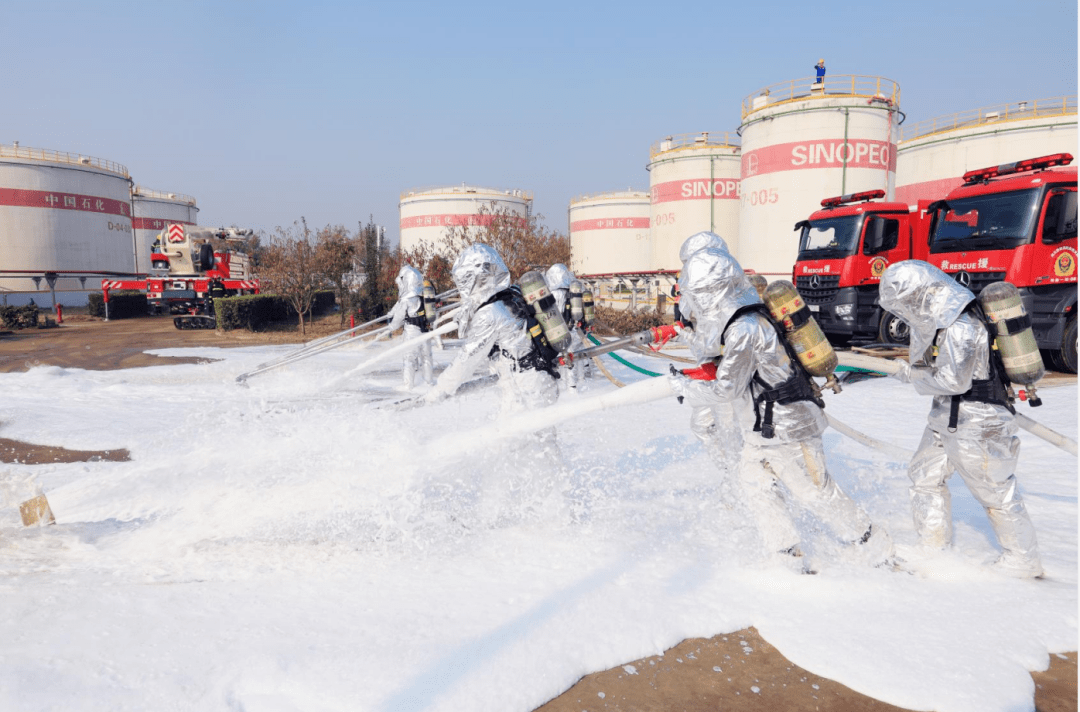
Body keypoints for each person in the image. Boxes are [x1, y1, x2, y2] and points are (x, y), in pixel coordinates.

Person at [668, 247, 890, 569]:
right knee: (755, 486)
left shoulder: (746, 328)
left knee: (815, 493)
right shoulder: (739, 321)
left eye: (700, 294)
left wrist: (683, 388)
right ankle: (786, 554)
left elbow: (727, 388)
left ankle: (875, 546)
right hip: (763, 431)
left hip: (790, 426)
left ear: (714, 292)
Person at [878, 261, 1043, 578]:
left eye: (908, 301)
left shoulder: (961, 326)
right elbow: (931, 366)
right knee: (925, 476)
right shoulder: (944, 321)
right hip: (947, 416)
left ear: (922, 293)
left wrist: (909, 375)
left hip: (978, 421)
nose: (907, 309)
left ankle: (1023, 559)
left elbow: (954, 381)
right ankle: (932, 547)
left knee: (996, 491)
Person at [424, 244, 564, 517]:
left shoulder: (490, 313)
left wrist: (439, 390)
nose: (464, 288)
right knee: (542, 449)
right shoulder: (512, 295)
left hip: (524, 390)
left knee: (505, 448)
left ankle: (494, 512)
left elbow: (466, 361)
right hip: (538, 382)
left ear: (475, 280)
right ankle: (555, 509)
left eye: (465, 281)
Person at [386, 264, 435, 390]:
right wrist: (390, 313)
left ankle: (408, 385)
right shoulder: (424, 294)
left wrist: (391, 327)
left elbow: (398, 319)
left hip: (412, 332)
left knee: (409, 359)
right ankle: (428, 382)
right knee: (427, 357)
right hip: (425, 330)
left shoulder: (407, 299)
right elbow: (397, 307)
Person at [545, 263, 586, 390]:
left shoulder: (551, 294)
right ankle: (577, 384)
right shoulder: (573, 292)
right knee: (574, 358)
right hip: (573, 330)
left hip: (557, 332)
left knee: (560, 360)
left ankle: (563, 386)